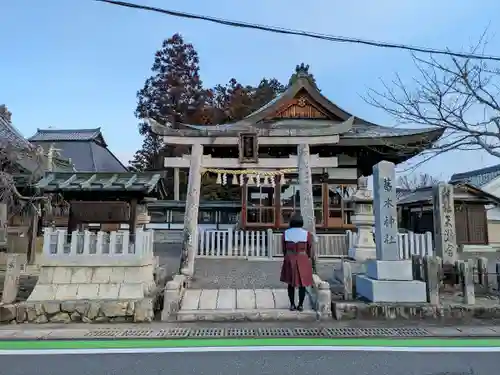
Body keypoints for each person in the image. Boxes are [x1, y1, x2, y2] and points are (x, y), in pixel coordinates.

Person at [279, 213, 314, 311]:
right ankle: (301, 305)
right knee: (302, 284)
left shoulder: (286, 233)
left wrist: (287, 256)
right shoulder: (306, 234)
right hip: (302, 257)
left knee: (290, 283)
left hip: (290, 258)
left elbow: (284, 248)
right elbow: (309, 248)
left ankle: (292, 304)